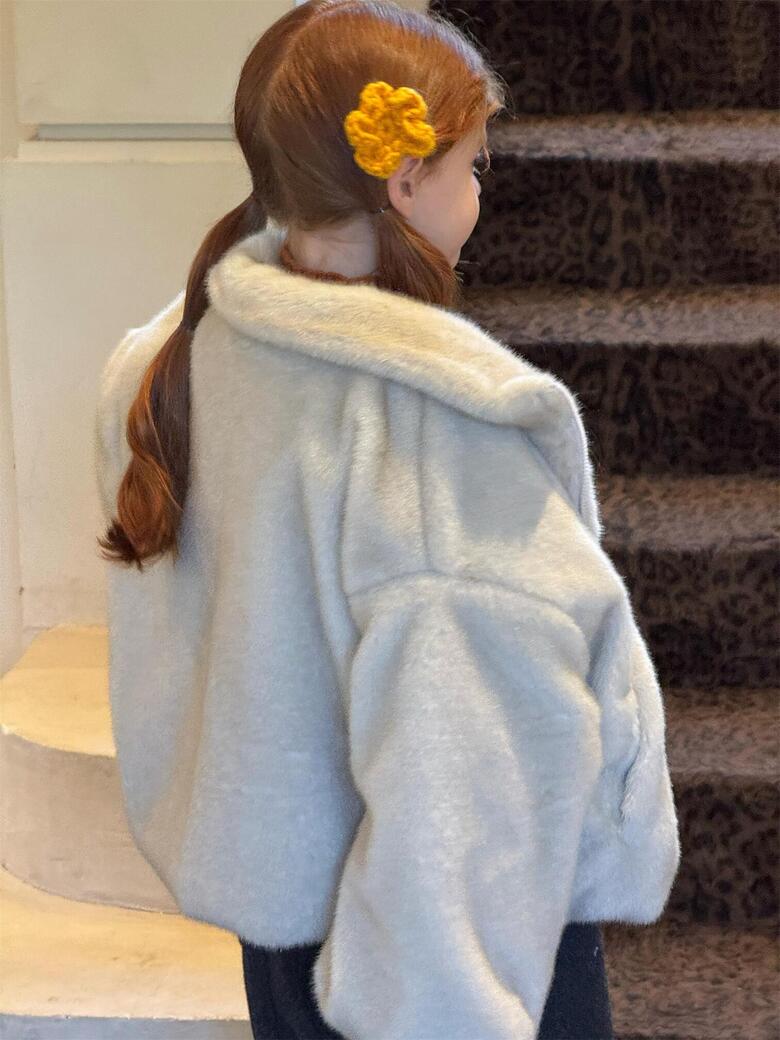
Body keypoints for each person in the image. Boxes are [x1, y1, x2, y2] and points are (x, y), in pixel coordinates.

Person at [94, 2, 681, 1037]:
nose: (480, 191)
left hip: (285, 913)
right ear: (405, 181)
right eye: (473, 164)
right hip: (428, 962)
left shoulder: (173, 360)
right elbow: (464, 786)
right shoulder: (433, 438)